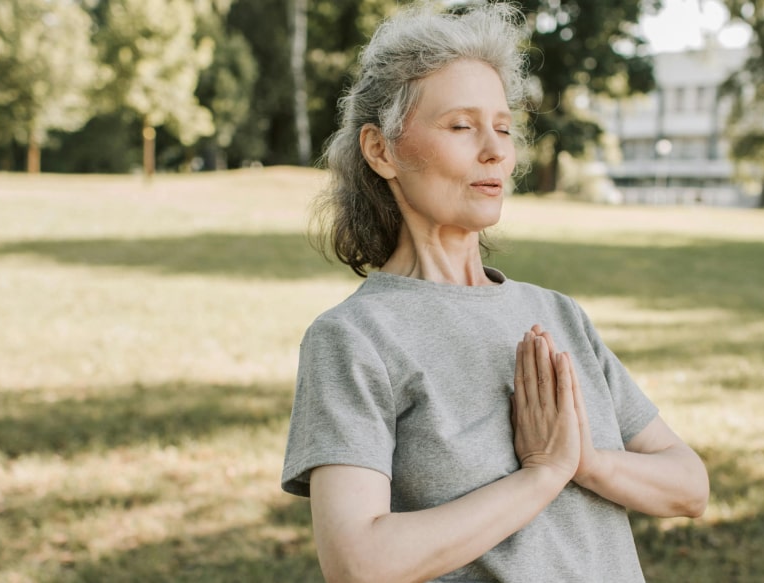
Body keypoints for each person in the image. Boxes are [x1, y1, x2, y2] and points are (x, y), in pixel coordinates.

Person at [280, 3, 709, 582]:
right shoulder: (354, 339)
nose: (496, 151)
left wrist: (586, 462)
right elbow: (358, 563)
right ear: (382, 151)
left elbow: (689, 486)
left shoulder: (558, 315)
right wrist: (541, 476)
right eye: (461, 126)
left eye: (503, 128)